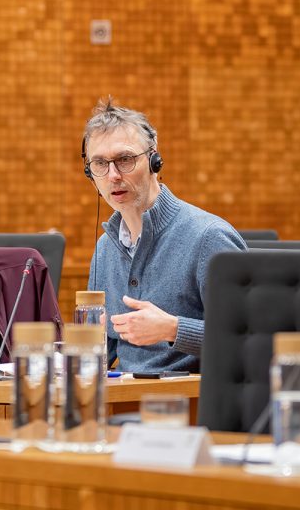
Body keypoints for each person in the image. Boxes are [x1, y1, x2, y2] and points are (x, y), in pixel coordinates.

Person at [82, 98, 246, 373]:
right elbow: (102, 352)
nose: (113, 176)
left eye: (125, 160)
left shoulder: (209, 237)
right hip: (122, 402)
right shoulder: (105, 249)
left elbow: (250, 338)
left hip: (190, 405)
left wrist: (173, 329)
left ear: (154, 160)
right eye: (100, 164)